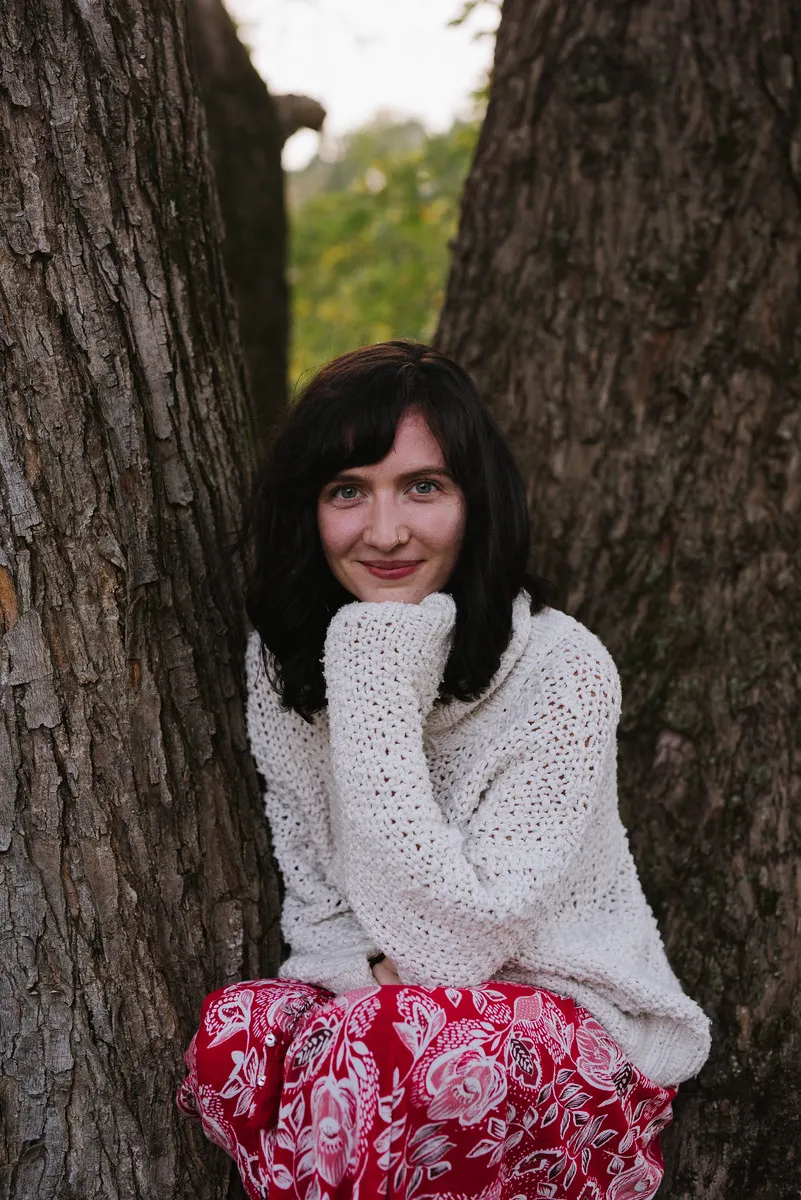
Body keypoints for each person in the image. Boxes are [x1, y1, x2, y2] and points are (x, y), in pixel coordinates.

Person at [177, 341, 711, 1200]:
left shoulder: (562, 669)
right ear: (307, 511)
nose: (384, 531)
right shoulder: (282, 668)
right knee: (238, 1033)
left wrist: (377, 671)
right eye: (347, 490)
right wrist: (373, 989)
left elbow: (459, 943)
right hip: (383, 1027)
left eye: (422, 487)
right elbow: (318, 917)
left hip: (564, 1030)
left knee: (405, 1044)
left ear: (473, 502)